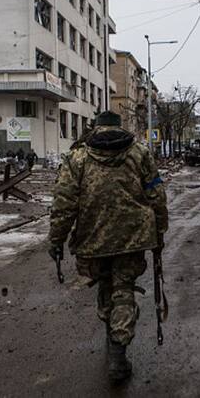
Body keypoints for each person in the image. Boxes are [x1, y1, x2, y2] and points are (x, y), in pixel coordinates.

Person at [48, 111, 168, 383]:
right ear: (118, 127)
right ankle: (118, 349)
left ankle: (113, 336)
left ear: (96, 128)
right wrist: (160, 230)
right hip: (133, 237)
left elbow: (64, 203)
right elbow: (156, 194)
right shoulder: (139, 154)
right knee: (123, 289)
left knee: (105, 285)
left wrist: (56, 239)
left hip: (93, 238)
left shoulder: (76, 158)